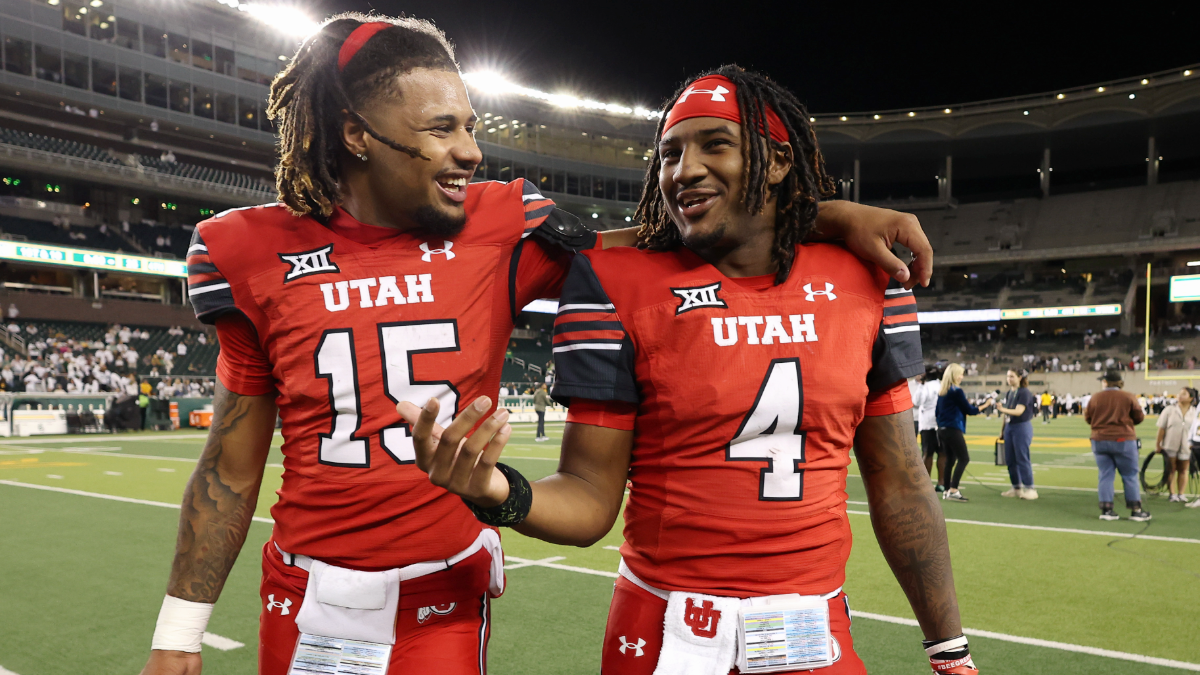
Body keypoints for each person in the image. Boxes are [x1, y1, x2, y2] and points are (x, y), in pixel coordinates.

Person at [139, 16, 936, 675]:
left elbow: (660, 244)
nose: (472, 151)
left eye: (472, 126)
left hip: (443, 589)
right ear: (356, 134)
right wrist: (179, 632)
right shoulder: (244, 251)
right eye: (441, 129)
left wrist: (829, 214)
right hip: (307, 593)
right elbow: (228, 464)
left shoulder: (500, 224)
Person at [401, 66, 976, 675]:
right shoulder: (617, 283)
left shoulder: (866, 278)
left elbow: (903, 484)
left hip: (811, 633)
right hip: (664, 634)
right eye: (670, 153)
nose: (685, 169)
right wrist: (499, 492)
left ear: (778, 162)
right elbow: (591, 498)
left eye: (716, 144)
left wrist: (951, 651)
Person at [1084, 371, 1150, 522]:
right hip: (1123, 439)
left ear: (1106, 382)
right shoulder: (1128, 396)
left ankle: (1106, 510)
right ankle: (1136, 510)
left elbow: (1088, 418)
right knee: (1129, 475)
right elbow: (1139, 417)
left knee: (1105, 475)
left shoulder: (1095, 397)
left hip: (1099, 439)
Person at [936, 363, 992, 502]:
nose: (962, 377)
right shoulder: (956, 391)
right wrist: (986, 404)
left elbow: (937, 412)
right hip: (952, 428)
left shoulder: (943, 390)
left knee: (950, 460)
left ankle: (947, 490)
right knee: (964, 458)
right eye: (960, 374)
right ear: (954, 375)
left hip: (942, 429)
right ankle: (954, 489)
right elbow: (970, 410)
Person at [994, 368, 1037, 500]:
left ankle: (1030, 488)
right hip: (1010, 427)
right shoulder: (1009, 393)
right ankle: (1016, 487)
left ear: (1020, 378)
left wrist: (1002, 409)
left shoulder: (1024, 393)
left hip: (1021, 427)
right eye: (1008, 376)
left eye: (1012, 376)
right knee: (1010, 459)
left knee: (1022, 457)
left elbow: (1019, 411)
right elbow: (1006, 414)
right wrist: (1002, 430)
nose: (1009, 379)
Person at [1156, 386, 1196, 502]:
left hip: (1187, 446)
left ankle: (1181, 493)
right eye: (1179, 394)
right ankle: (1172, 494)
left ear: (1191, 398)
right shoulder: (1169, 410)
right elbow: (1161, 428)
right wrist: (1158, 444)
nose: (1180, 396)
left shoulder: (1194, 412)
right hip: (1170, 444)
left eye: (1184, 394)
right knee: (1171, 469)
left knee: (1183, 470)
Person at [913, 365, 945, 491]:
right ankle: (942, 483)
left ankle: (925, 483)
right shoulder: (942, 385)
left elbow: (916, 401)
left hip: (927, 424)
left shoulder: (925, 387)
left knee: (927, 453)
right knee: (942, 453)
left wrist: (921, 384)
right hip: (941, 423)